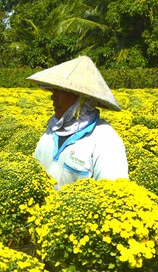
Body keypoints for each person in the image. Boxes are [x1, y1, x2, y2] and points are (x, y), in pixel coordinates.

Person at [27, 55, 128, 189]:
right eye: (53, 90)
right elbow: (33, 172)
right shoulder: (51, 131)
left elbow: (114, 194)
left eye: (61, 90)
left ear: (82, 98)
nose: (53, 96)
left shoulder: (105, 140)